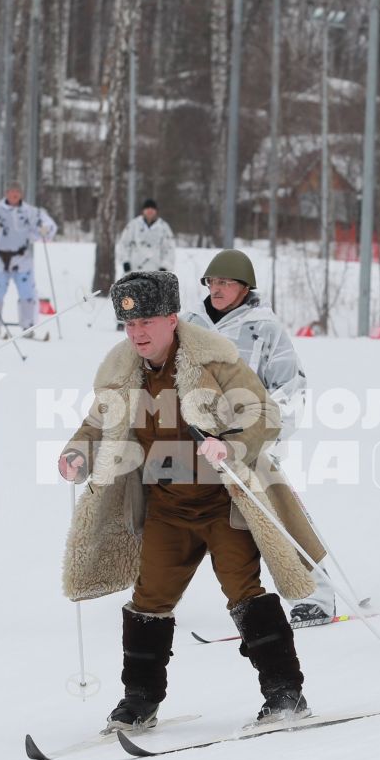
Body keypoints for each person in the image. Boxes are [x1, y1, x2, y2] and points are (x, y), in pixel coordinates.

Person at [57, 270, 324, 732]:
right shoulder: (122, 371)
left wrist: (230, 444)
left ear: (172, 319)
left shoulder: (215, 362)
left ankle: (285, 694)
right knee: (148, 601)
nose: (137, 333)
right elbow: (97, 425)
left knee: (245, 592)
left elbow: (264, 413)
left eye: (147, 323)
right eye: (129, 325)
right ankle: (139, 700)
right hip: (166, 507)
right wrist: (77, 453)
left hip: (224, 503)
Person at [180, 248, 336, 626]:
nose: (216, 289)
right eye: (212, 282)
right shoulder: (188, 323)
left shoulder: (263, 327)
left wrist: (265, 431)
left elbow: (289, 384)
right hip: (196, 437)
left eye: (225, 283)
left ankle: (315, 595)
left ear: (244, 287)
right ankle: (155, 593)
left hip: (248, 438)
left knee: (274, 515)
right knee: (173, 512)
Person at [0, 184, 58, 339]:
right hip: (1, 257)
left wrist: (44, 230)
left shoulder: (30, 212)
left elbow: (49, 225)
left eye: (17, 192)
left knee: (28, 293)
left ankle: (28, 326)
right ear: (6, 193)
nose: (14, 194)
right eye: (11, 191)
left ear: (21, 194)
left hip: (22, 259)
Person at [115, 199, 176, 274]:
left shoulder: (164, 227)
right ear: (143, 211)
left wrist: (165, 267)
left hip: (156, 272)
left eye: (152, 209)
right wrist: (125, 261)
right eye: (147, 208)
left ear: (156, 211)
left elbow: (169, 249)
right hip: (133, 271)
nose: (150, 211)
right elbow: (124, 244)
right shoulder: (133, 225)